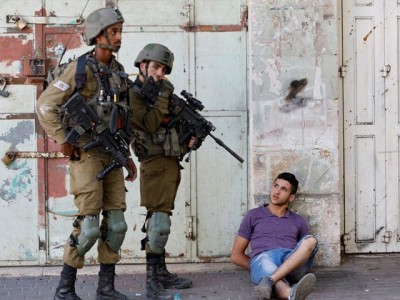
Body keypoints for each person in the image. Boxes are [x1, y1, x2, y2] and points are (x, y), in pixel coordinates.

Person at [36, 7, 137, 300]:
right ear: (98, 35)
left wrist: (127, 155)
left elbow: (124, 118)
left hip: (113, 156)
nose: (119, 37)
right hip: (88, 156)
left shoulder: (117, 72)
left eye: (120, 31)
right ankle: (64, 289)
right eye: (114, 31)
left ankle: (106, 288)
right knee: (89, 228)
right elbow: (45, 105)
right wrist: (62, 140)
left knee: (116, 225)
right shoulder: (79, 70)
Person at [129, 43, 193, 299]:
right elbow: (149, 123)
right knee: (158, 223)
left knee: (162, 219)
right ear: (142, 65)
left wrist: (189, 139)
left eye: (164, 70)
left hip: (169, 162)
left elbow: (171, 127)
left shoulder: (157, 94)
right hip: (154, 164)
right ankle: (151, 280)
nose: (160, 74)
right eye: (156, 67)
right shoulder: (133, 94)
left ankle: (161, 272)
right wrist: (164, 94)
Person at [231, 172, 318, 300]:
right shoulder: (253, 215)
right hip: (264, 259)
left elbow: (303, 251)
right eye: (275, 186)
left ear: (291, 197)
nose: (276, 192)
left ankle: (268, 281)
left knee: (311, 240)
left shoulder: (299, 221)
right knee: (265, 262)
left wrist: (270, 273)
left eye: (284, 189)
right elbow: (236, 256)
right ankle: (290, 294)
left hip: (291, 265)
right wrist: (257, 267)